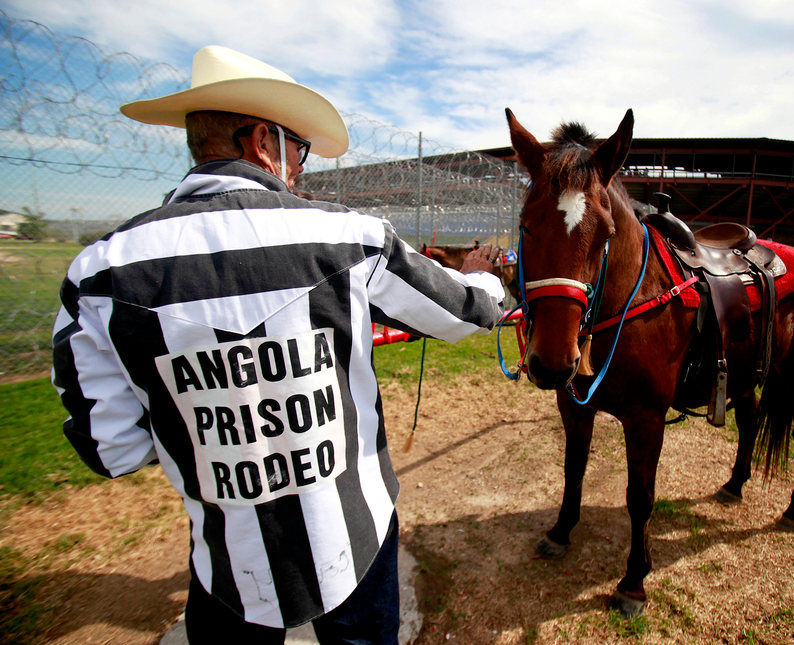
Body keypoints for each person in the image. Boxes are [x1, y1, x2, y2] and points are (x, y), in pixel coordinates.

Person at [51, 46, 505, 645]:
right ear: (264, 142)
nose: (301, 169)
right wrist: (489, 282)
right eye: (301, 151)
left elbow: (111, 446)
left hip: (228, 565)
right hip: (354, 540)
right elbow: (463, 315)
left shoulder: (98, 272)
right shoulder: (348, 236)